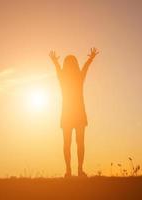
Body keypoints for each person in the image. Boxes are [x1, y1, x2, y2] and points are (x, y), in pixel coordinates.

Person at [49, 48, 99, 177]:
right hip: (73, 114)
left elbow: (60, 69)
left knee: (71, 143)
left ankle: (73, 171)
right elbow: (85, 67)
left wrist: (55, 62)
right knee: (75, 143)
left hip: (71, 114)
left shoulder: (70, 79)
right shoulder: (76, 78)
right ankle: (73, 170)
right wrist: (90, 58)